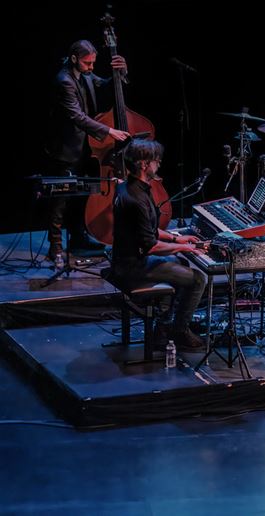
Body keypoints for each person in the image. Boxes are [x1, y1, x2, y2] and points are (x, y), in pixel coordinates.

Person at [111, 139, 207, 350]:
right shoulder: (136, 200)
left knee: (181, 263)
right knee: (199, 279)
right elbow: (151, 246)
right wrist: (185, 247)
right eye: (156, 161)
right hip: (132, 267)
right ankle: (179, 331)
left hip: (126, 259)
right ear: (144, 164)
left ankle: (163, 327)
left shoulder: (127, 187)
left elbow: (147, 229)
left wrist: (176, 239)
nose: (159, 164)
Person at [45, 40, 131, 265]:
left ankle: (79, 238)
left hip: (87, 146)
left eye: (93, 63)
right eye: (87, 63)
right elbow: (76, 116)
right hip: (66, 149)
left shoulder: (85, 74)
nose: (92, 67)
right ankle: (55, 246)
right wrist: (109, 130)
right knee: (60, 200)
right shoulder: (64, 80)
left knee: (82, 196)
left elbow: (104, 84)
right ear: (74, 59)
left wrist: (120, 73)